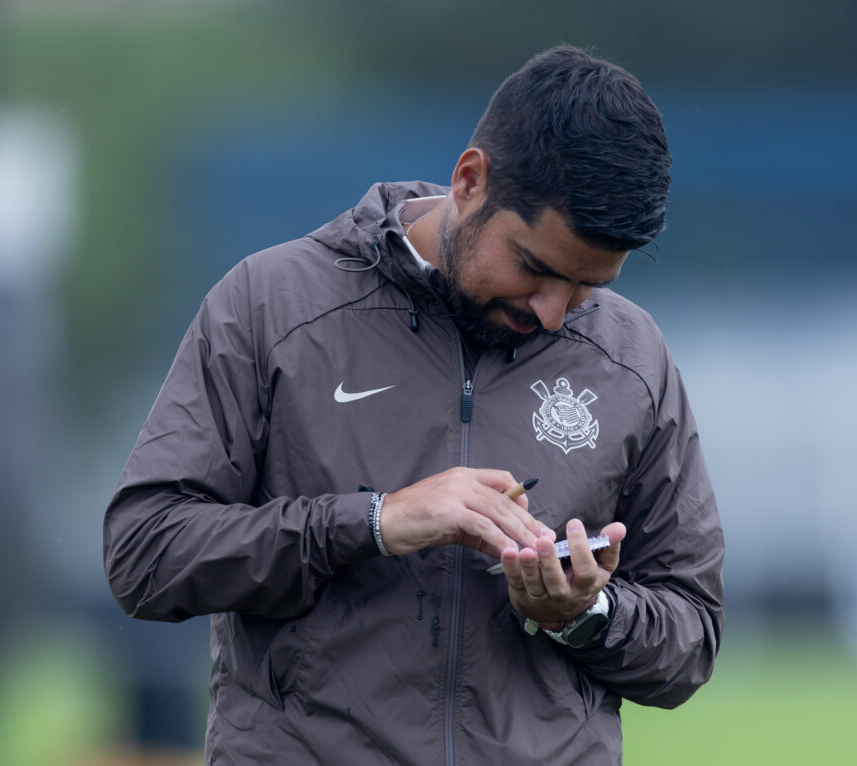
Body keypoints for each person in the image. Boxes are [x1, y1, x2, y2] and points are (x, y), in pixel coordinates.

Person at [103, 45, 724, 765]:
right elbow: (145, 553)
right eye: (534, 269)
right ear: (469, 182)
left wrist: (585, 613)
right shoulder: (270, 306)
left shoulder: (632, 358)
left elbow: (691, 639)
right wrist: (375, 521)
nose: (555, 314)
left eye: (586, 289)